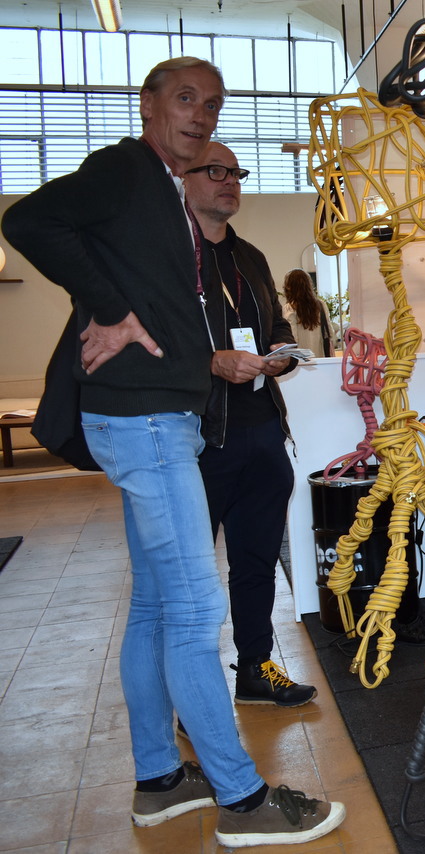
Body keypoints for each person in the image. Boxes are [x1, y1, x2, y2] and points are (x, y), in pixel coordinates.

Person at [1, 57, 344, 848]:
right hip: (147, 420)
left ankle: (159, 779)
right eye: (185, 98)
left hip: (161, 417)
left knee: (159, 608)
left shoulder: (166, 198)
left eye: (212, 104)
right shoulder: (128, 169)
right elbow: (29, 223)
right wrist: (109, 308)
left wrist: (140, 319)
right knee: (193, 610)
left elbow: (165, 304)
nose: (200, 114)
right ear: (149, 104)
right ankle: (242, 800)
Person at [185, 142, 317, 708]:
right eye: (215, 171)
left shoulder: (251, 258)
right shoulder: (170, 257)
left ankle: (256, 671)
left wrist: (282, 355)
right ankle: (192, 694)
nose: (229, 181)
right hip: (196, 438)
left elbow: (277, 326)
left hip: (262, 429)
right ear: (184, 177)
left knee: (257, 562)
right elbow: (151, 348)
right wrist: (211, 362)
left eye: (236, 172)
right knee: (189, 578)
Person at [281, 268, 335, 358]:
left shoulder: (289, 308)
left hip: (301, 360)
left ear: (289, 287)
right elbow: (330, 332)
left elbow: (292, 338)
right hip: (320, 358)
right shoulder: (321, 305)